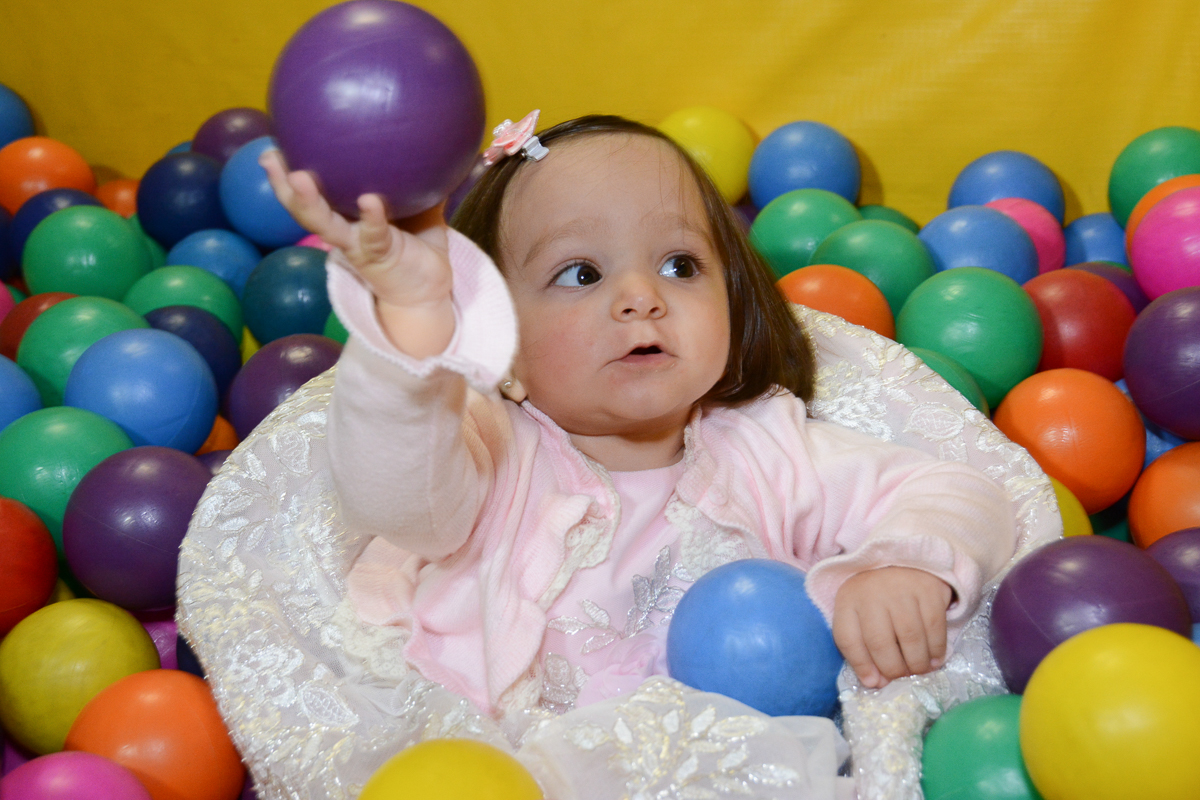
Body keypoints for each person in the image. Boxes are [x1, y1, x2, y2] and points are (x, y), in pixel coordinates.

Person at [179, 113, 1037, 800]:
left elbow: (953, 489)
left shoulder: (768, 448)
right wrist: (410, 329)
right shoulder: (487, 449)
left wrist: (904, 567)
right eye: (581, 274)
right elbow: (395, 491)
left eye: (679, 263)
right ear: (499, 342)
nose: (640, 298)